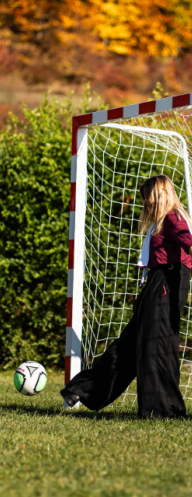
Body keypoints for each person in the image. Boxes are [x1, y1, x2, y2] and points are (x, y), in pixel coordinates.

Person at [61, 174, 189, 419]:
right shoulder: (161, 222)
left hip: (167, 283)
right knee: (132, 344)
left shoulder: (173, 217)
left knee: (156, 347)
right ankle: (83, 389)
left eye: (148, 199)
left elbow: (188, 242)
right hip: (157, 283)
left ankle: (164, 410)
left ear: (160, 194)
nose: (146, 204)